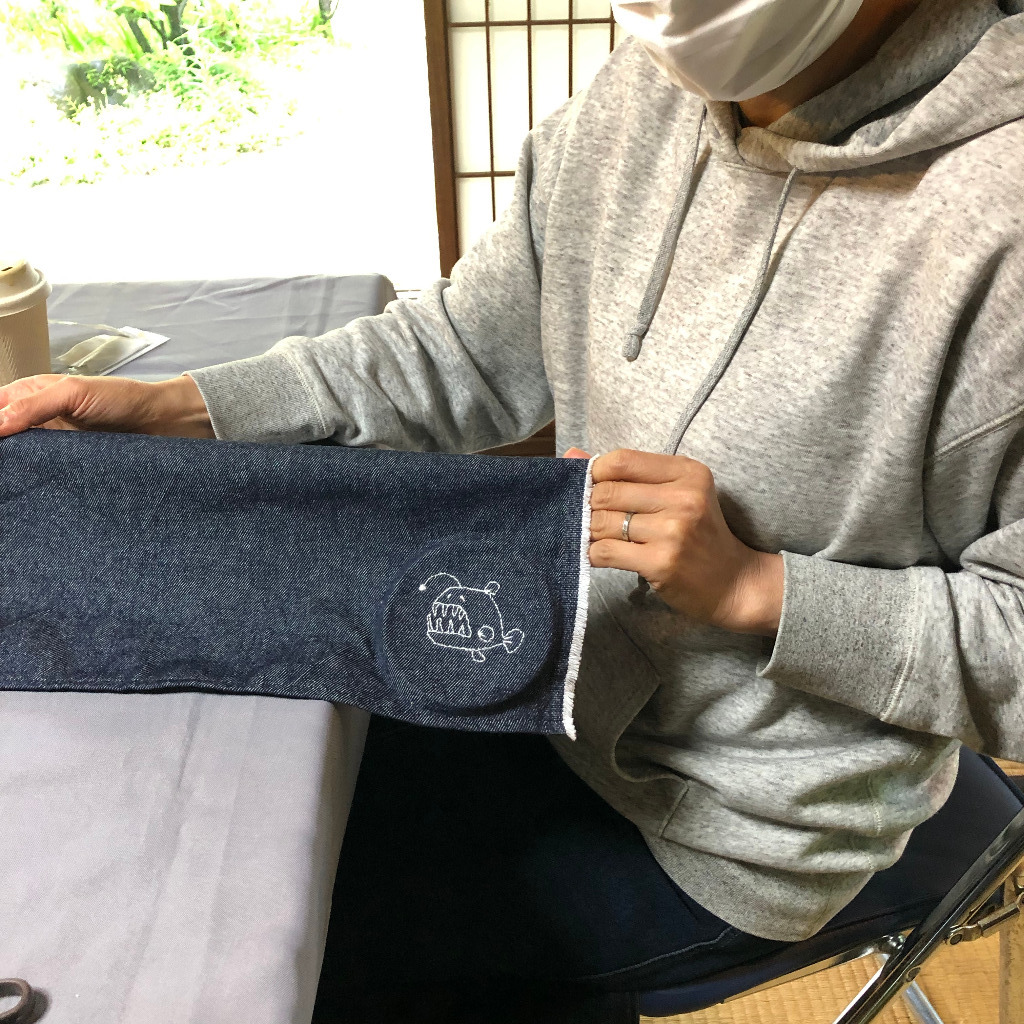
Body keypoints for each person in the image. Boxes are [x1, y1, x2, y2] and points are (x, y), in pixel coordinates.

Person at [2, 0, 1022, 1019]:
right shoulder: (645, 93)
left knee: (274, 952)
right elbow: (461, 350)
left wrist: (760, 590)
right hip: (538, 670)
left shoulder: (999, 219)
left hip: (731, 827)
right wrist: (179, 409)